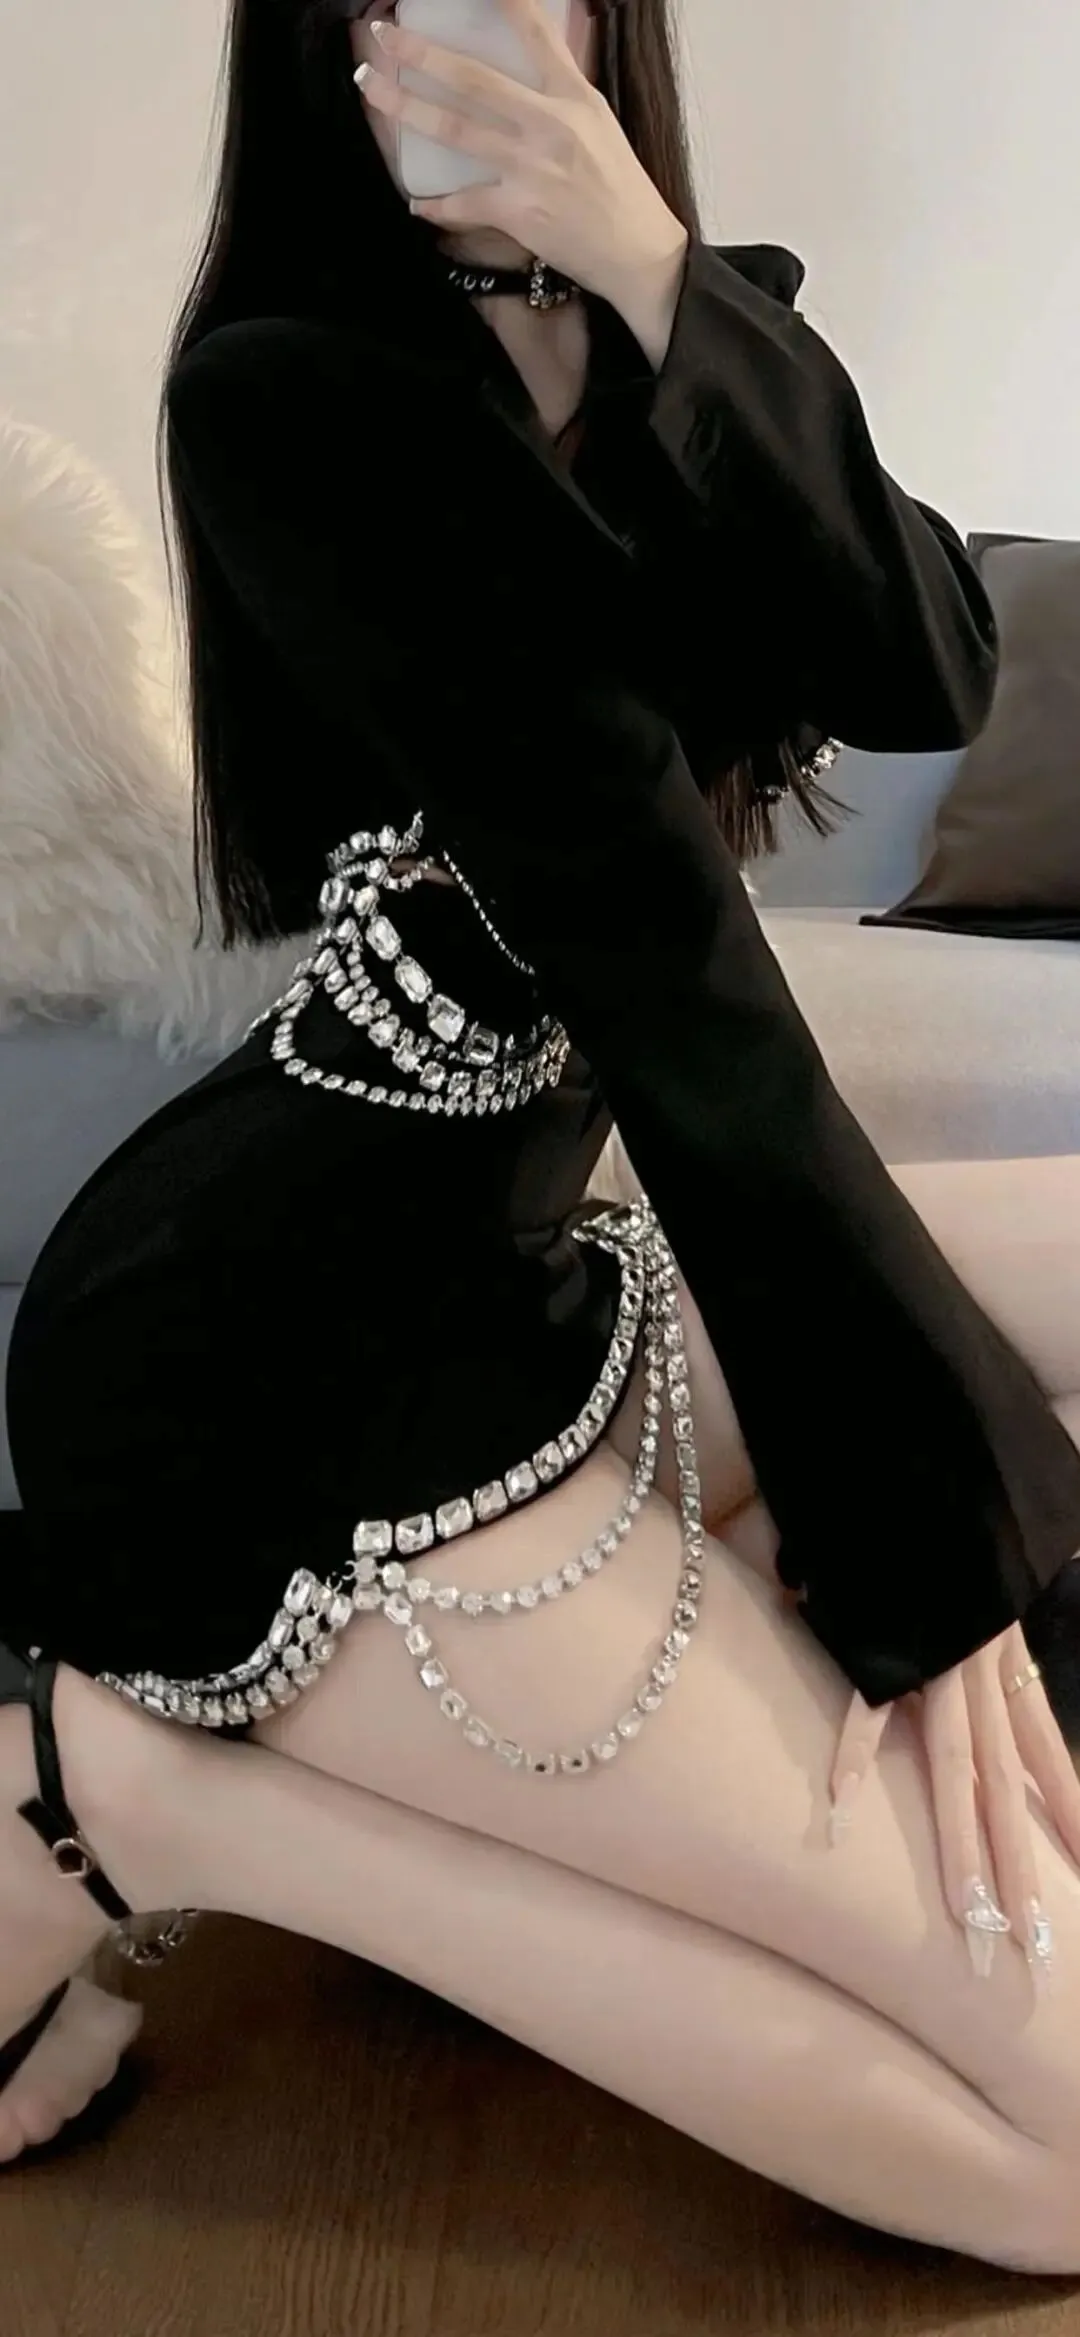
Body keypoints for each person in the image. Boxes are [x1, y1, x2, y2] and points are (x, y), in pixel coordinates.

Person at [2, 0, 1080, 2268]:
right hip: (284, 1379)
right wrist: (932, 1521)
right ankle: (130, 1795)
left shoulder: (688, 324)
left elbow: (934, 661)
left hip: (514, 1265)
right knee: (1070, 2143)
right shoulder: (290, 394)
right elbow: (666, 959)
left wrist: (660, 274)